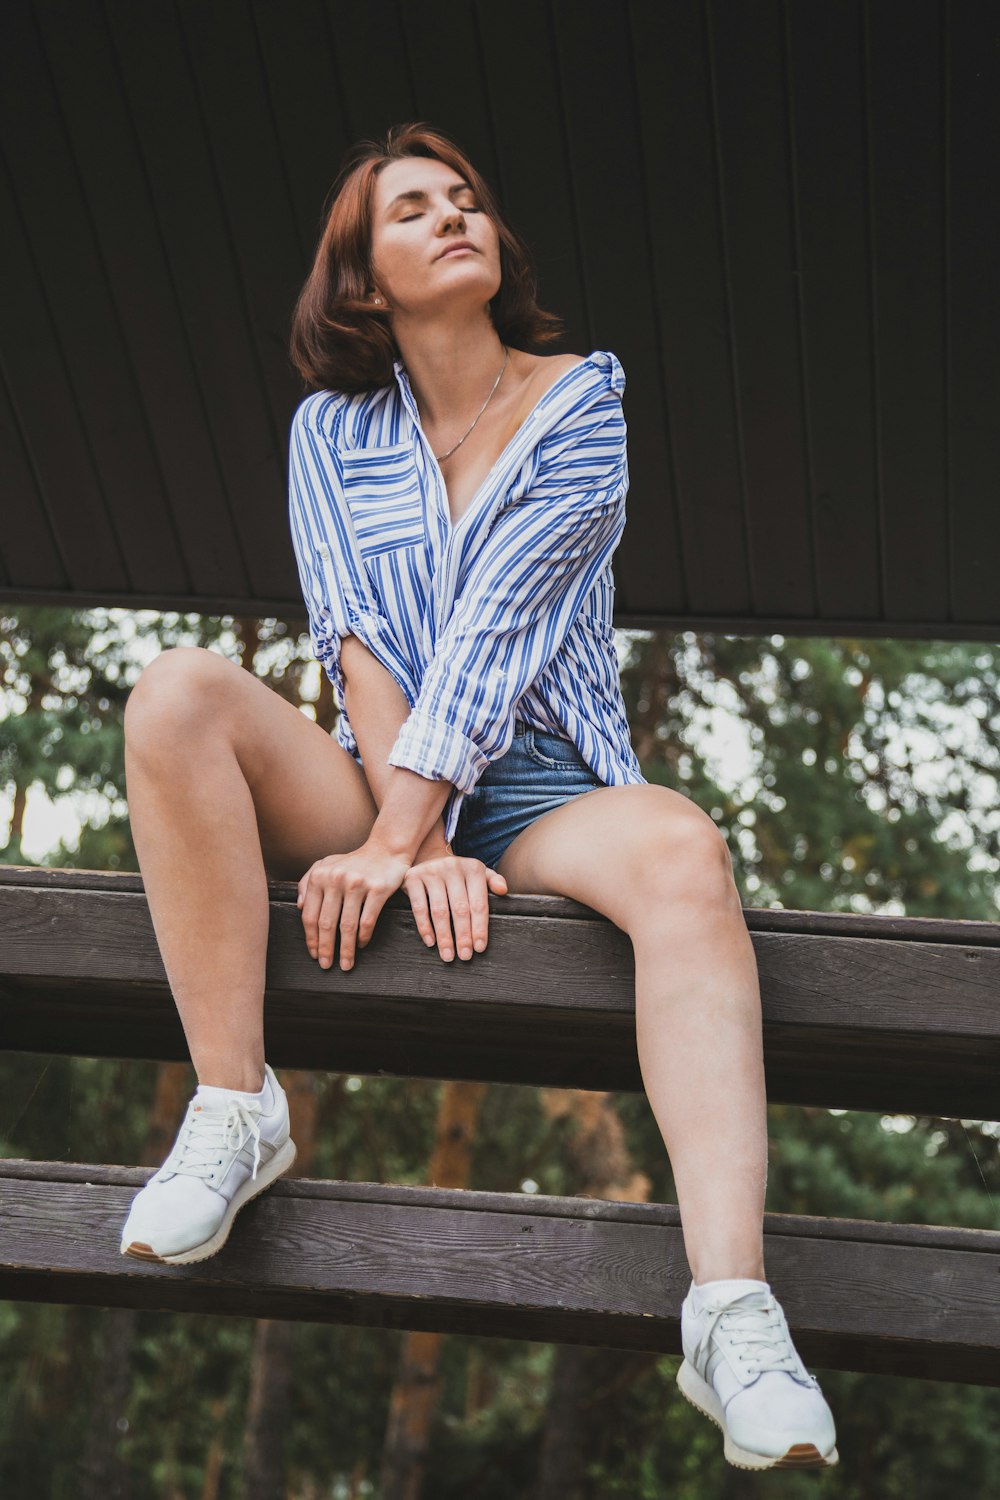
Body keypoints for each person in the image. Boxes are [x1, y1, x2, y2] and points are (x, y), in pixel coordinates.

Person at [117, 121, 837, 1472]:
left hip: (548, 786)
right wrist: (410, 831)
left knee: (685, 848)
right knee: (174, 696)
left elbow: (498, 634)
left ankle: (731, 1314)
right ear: (362, 282)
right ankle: (234, 1108)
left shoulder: (580, 403)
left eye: (466, 200)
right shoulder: (331, 432)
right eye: (411, 210)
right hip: (384, 783)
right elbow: (360, 642)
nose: (455, 216)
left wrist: (421, 836)